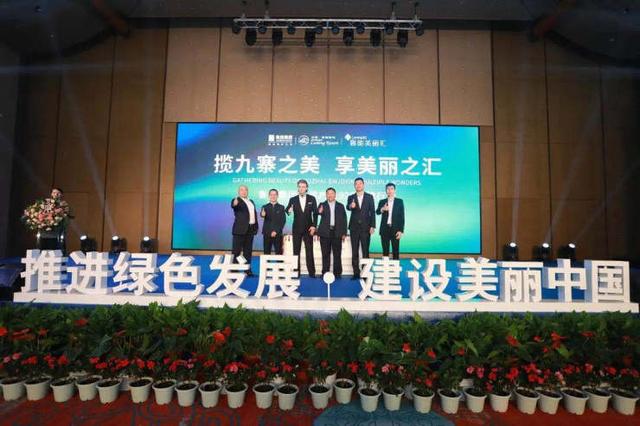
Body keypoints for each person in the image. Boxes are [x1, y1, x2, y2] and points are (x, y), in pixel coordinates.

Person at [286, 179, 318, 277]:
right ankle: (296, 271)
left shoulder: (312, 198)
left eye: (303, 187)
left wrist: (314, 226)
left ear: (306, 188)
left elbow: (315, 214)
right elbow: (287, 210)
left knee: (309, 250)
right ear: (297, 188)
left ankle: (312, 272)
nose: (301, 188)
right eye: (299, 187)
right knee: (296, 251)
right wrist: (289, 210)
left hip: (309, 229)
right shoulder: (293, 199)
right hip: (296, 228)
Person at [346, 177, 376, 279]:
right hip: (354, 228)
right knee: (354, 251)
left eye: (360, 183)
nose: (358, 185)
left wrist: (372, 226)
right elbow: (347, 207)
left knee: (365, 251)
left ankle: (365, 272)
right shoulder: (351, 197)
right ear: (354, 186)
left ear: (363, 185)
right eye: (356, 184)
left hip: (365, 228)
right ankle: (356, 272)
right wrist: (351, 206)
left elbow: (372, 212)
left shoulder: (369, 197)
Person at [317, 187, 347, 278]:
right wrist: (319, 211)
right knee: (325, 254)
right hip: (325, 233)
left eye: (332, 193)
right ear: (326, 195)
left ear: (335, 194)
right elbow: (317, 213)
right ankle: (325, 272)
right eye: (328, 193)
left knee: (337, 254)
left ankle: (337, 273)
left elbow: (344, 219)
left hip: (337, 232)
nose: (330, 195)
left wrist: (344, 233)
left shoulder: (340, 206)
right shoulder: (322, 204)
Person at [231, 185, 259, 276]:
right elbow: (234, 205)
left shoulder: (251, 201)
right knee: (236, 251)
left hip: (250, 229)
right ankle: (234, 270)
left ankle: (247, 270)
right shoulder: (237, 200)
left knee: (248, 251)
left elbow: (253, 214)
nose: (244, 191)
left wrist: (255, 227)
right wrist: (234, 203)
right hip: (240, 230)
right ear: (238, 192)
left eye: (245, 190)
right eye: (242, 190)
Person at [376, 182, 405, 260]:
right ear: (386, 191)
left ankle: (395, 267)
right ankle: (386, 267)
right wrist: (382, 209)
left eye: (391, 189)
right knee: (385, 251)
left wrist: (401, 230)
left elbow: (402, 217)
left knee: (396, 251)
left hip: (395, 229)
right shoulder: (382, 201)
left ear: (394, 190)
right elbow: (377, 212)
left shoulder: (399, 201)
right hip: (384, 229)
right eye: (388, 189)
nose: (390, 191)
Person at [260, 188, 286, 255]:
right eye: (271, 194)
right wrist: (262, 214)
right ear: (269, 196)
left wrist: (276, 231)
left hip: (278, 234)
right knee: (266, 253)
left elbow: (283, 221)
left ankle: (278, 263)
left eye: (275, 194)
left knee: (279, 253)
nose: (273, 196)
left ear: (277, 196)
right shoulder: (264, 206)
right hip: (267, 233)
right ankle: (267, 263)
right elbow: (262, 214)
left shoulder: (281, 207)